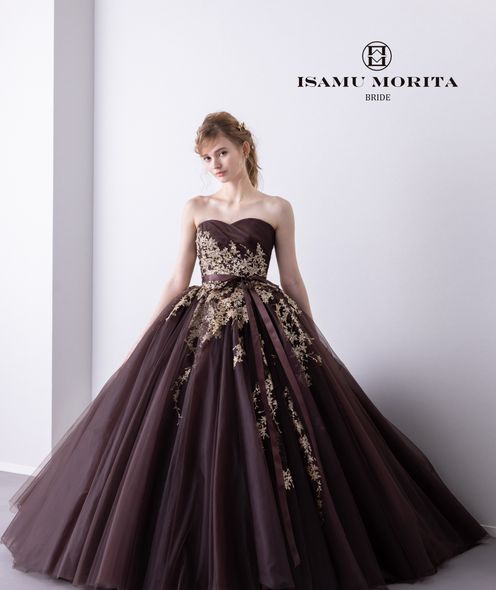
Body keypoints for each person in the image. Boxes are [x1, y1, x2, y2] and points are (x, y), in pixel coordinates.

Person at [1, 111, 490, 590]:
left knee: (277, 430)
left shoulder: (277, 208)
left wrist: (310, 335)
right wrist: (145, 336)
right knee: (189, 425)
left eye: (222, 153)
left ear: (244, 149)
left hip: (263, 322)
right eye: (206, 157)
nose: (214, 164)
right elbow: (177, 278)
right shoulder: (195, 207)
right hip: (203, 326)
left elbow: (291, 277)